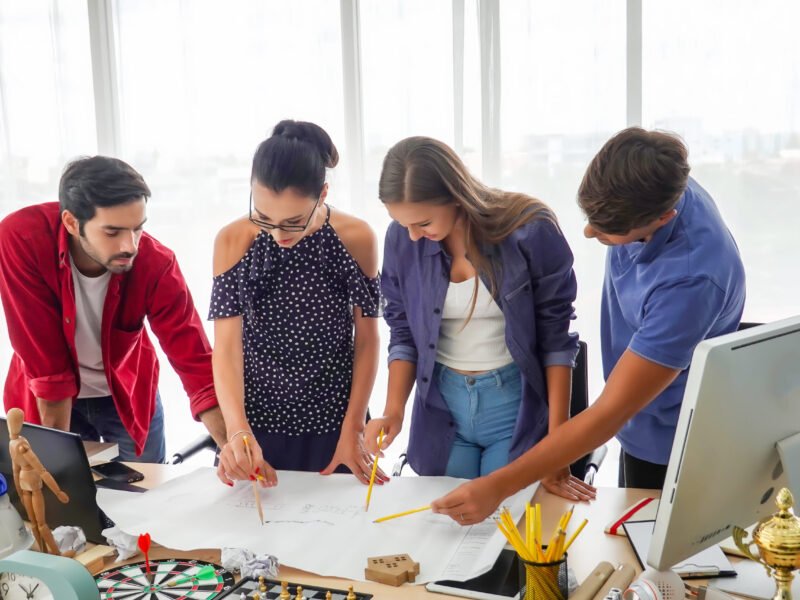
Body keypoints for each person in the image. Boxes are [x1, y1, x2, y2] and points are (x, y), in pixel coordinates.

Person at [430, 127, 746, 524]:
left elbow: (609, 411)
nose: (588, 232)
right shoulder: (654, 176)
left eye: (607, 230)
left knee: (660, 556)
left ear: (665, 216)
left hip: (676, 439)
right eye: (590, 218)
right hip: (636, 424)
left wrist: (498, 486)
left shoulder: (693, 280)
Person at [364, 136, 594, 501]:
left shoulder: (531, 231)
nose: (412, 235)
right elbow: (403, 331)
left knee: (506, 528)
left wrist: (557, 447)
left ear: (455, 195)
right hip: (442, 409)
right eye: (401, 223)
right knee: (449, 531)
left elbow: (556, 342)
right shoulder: (401, 239)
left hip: (512, 409)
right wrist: (394, 411)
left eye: (422, 222)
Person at [0, 156, 226, 463]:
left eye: (137, 229)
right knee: (65, 493)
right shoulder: (21, 239)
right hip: (49, 400)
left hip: (127, 395)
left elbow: (195, 362)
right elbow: (46, 361)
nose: (130, 245)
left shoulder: (156, 263)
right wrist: (55, 463)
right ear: (70, 222)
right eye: (112, 232)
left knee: (146, 494)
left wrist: (230, 443)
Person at [211, 120, 385, 488]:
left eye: (292, 222)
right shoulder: (232, 240)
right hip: (258, 425)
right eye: (264, 217)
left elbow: (367, 340)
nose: (277, 234)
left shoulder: (356, 238)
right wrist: (236, 430)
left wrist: (353, 429)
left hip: (336, 421)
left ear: (322, 193)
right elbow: (226, 348)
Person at [7, 407, 71, 556]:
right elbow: (42, 471)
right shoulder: (22, 446)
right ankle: (57, 555)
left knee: (34, 523)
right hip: (33, 485)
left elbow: (15, 471)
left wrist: (20, 494)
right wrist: (58, 491)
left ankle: (45, 553)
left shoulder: (11, 444)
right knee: (40, 524)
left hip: (24, 484)